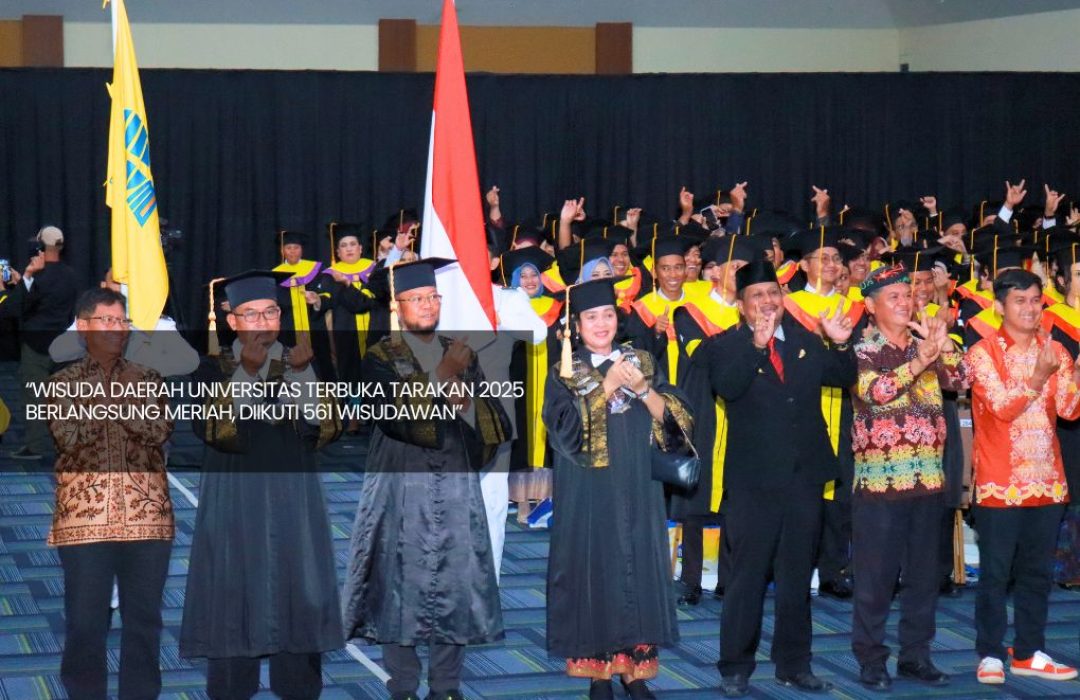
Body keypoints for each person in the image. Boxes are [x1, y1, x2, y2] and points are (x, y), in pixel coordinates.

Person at [342, 259, 510, 700]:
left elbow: (491, 420)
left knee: (456, 579)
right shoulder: (380, 356)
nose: (427, 305)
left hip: (455, 477)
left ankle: (446, 685)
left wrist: (466, 404)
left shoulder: (460, 351)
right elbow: (391, 416)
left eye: (432, 297)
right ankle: (402, 684)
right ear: (397, 307)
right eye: (416, 298)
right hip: (400, 478)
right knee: (397, 580)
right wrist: (440, 376)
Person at [179, 270, 344, 700]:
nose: (263, 322)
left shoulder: (301, 359)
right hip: (236, 499)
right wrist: (247, 375)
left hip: (296, 500)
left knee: (299, 588)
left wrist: (304, 377)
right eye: (250, 314)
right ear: (231, 320)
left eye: (270, 312)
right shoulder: (211, 368)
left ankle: (299, 688)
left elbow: (329, 428)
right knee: (234, 591)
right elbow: (212, 431)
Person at [710, 259, 856, 697]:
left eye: (773, 292)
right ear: (741, 305)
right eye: (757, 295)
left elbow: (843, 377)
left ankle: (794, 664)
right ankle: (736, 666)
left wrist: (841, 345)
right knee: (747, 576)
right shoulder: (726, 345)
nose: (768, 301)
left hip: (803, 478)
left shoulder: (805, 339)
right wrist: (757, 347)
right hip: (753, 483)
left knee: (796, 577)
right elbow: (727, 388)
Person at [543, 277, 689, 700]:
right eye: (591, 317)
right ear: (576, 326)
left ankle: (634, 672)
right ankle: (600, 674)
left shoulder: (641, 360)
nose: (602, 323)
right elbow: (563, 433)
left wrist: (642, 389)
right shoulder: (566, 371)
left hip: (639, 485)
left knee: (639, 569)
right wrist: (605, 386)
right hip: (589, 489)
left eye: (608, 314)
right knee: (596, 570)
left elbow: (677, 425)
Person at [46, 287, 174, 699]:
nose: (117, 329)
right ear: (84, 327)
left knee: (144, 622)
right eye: (107, 320)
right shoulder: (62, 383)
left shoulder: (148, 378)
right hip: (85, 520)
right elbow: (69, 437)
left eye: (122, 321)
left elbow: (157, 430)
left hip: (147, 518)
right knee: (85, 622)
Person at [849, 265, 965, 690]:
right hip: (880, 485)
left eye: (908, 295)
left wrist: (943, 344)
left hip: (928, 481)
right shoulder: (859, 350)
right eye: (894, 297)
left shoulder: (927, 344)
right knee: (875, 581)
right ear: (870, 305)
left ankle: (916, 656)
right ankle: (871, 659)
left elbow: (964, 379)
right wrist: (919, 362)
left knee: (923, 579)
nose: (905, 302)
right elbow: (874, 392)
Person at [965, 268, 1080, 685]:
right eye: (1020, 301)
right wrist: (1038, 377)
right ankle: (990, 653)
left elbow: (1069, 410)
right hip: (1000, 480)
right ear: (1000, 307)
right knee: (996, 574)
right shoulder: (982, 354)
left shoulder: (1056, 350)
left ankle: (1029, 651)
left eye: (1035, 300)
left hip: (1048, 479)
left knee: (1037, 573)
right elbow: (1002, 407)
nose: (1030, 309)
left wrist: (1076, 372)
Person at [9, 226, 79, 459]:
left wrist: (25, 280)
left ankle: (37, 445)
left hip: (36, 345)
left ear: (40, 245)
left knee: (34, 395)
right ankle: (67, 444)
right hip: (63, 343)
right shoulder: (71, 275)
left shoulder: (37, 275)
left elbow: (17, 307)